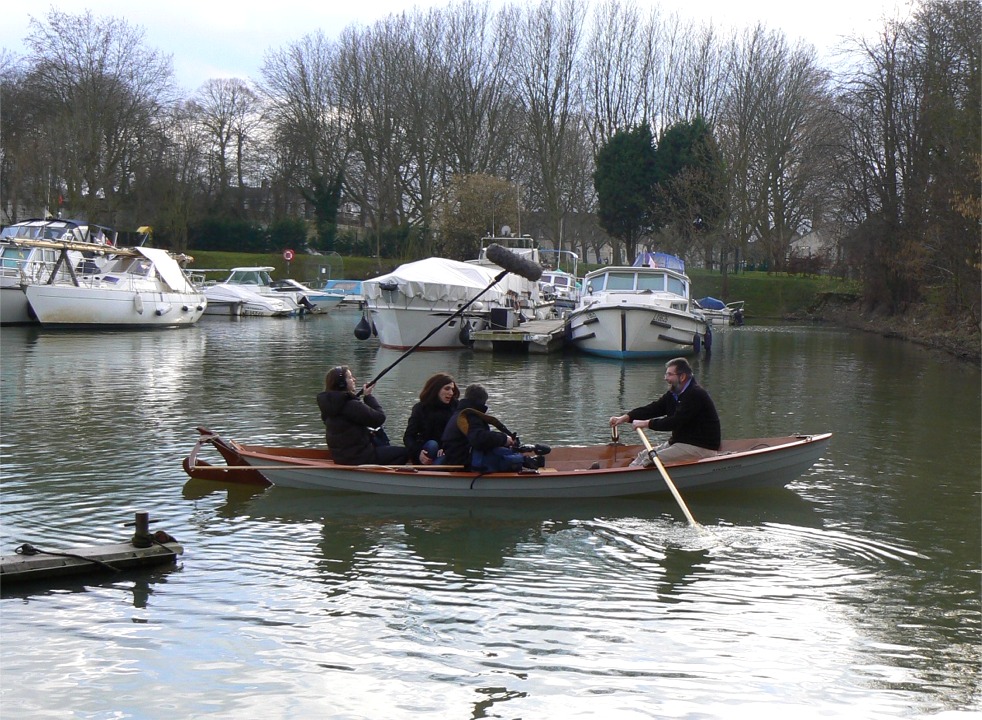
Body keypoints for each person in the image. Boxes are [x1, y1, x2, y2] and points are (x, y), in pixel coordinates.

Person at [609, 357, 721, 465]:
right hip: (681, 442)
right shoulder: (674, 393)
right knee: (643, 455)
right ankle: (627, 478)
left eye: (669, 374)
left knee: (650, 460)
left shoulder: (695, 394)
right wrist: (626, 417)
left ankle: (631, 481)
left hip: (701, 447)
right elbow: (654, 408)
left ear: (682, 377)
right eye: (666, 374)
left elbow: (675, 422)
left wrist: (646, 423)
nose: (665, 378)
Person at [317, 365, 408, 465]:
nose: (354, 379)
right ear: (342, 383)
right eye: (350, 377)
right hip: (359, 457)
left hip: (340, 456)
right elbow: (379, 419)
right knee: (404, 453)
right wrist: (368, 396)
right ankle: (383, 477)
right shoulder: (350, 405)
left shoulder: (330, 405)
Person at [441, 384, 541, 472]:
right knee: (504, 456)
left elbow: (478, 436)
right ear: (482, 402)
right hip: (465, 463)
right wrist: (504, 439)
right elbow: (478, 439)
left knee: (500, 450)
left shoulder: (460, 414)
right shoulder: (470, 416)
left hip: (456, 459)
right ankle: (527, 461)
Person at [403, 373, 459, 465]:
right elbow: (408, 436)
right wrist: (418, 453)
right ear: (436, 389)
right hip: (427, 449)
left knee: (443, 457)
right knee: (432, 444)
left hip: (447, 451)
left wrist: (446, 448)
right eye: (447, 389)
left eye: (452, 389)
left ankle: (429, 473)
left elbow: (459, 435)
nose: (451, 393)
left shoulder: (456, 407)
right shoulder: (421, 408)